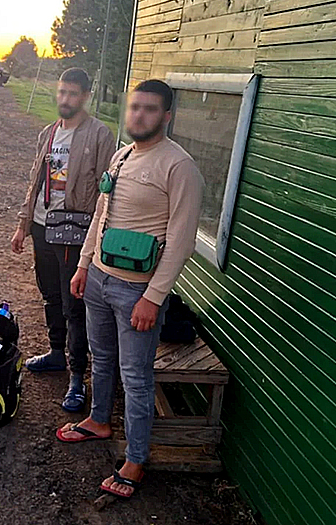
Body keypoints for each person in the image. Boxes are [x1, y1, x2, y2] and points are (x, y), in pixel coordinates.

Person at [57, 79, 204, 500]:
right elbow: (100, 218)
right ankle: (99, 420)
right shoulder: (122, 156)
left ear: (167, 116)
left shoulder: (178, 167)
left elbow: (181, 241)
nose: (139, 115)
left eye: (150, 109)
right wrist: (85, 265)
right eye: (134, 107)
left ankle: (136, 460)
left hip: (137, 291)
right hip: (100, 279)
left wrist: (153, 297)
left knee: (136, 378)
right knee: (101, 358)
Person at [11, 68, 115, 411]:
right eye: (61, 92)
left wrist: (97, 239)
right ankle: (57, 353)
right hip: (43, 226)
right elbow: (34, 181)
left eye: (72, 94)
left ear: (86, 95)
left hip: (75, 232)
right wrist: (23, 224)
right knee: (51, 295)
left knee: (75, 306)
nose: (65, 100)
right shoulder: (49, 132)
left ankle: (76, 378)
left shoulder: (100, 135)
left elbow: (107, 192)